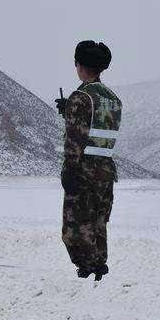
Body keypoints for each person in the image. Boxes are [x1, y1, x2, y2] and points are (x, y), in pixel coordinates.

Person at [55, 40, 122, 281]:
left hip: (83, 171)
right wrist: (71, 110)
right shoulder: (113, 99)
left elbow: (75, 140)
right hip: (105, 172)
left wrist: (69, 170)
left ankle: (85, 272)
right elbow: (98, 127)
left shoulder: (80, 97)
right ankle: (99, 270)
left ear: (79, 65)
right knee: (98, 223)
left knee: (74, 229)